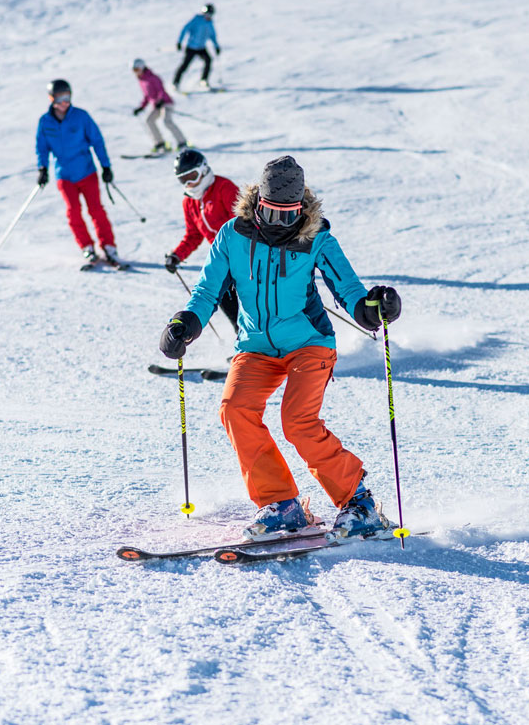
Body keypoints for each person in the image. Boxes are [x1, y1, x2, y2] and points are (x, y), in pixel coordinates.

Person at [158, 156, 402, 539]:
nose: (280, 224)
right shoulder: (231, 235)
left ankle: (359, 504)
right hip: (255, 346)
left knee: (298, 422)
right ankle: (282, 504)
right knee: (235, 409)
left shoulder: (315, 236)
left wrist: (374, 310)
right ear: (258, 204)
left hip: (309, 343)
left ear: (300, 209)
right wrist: (185, 324)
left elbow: (350, 291)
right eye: (272, 214)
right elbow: (207, 290)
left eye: (289, 216)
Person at [35, 78, 123, 269]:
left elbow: (97, 142)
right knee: (73, 212)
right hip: (64, 175)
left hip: (87, 172)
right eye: (59, 98)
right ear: (51, 99)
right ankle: (87, 246)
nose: (63, 102)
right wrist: (42, 168)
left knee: (96, 210)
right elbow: (42, 148)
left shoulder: (81, 116)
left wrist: (106, 167)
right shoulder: (45, 121)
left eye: (67, 97)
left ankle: (108, 246)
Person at [166, 149, 240, 331]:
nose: (190, 183)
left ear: (204, 169)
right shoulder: (189, 202)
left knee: (250, 296)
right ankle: (242, 335)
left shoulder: (224, 188)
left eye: (193, 176)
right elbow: (193, 235)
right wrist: (177, 255)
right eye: (184, 179)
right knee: (220, 293)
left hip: (243, 252)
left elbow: (243, 222)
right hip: (222, 258)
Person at [131, 59, 188, 154]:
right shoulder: (142, 80)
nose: (135, 72)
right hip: (156, 105)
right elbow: (147, 96)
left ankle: (182, 142)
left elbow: (161, 90)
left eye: (136, 69)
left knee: (167, 121)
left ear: (141, 67)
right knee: (149, 120)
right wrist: (141, 107)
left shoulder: (153, 77)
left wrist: (160, 100)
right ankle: (160, 143)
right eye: (134, 70)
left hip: (165, 103)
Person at [173, 3, 220, 90]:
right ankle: (176, 83)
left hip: (201, 48)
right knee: (185, 65)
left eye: (210, 14)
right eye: (207, 14)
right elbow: (185, 29)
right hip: (192, 47)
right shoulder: (197, 20)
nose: (208, 16)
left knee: (208, 61)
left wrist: (216, 46)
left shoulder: (210, 23)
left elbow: (212, 36)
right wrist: (179, 41)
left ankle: (203, 80)